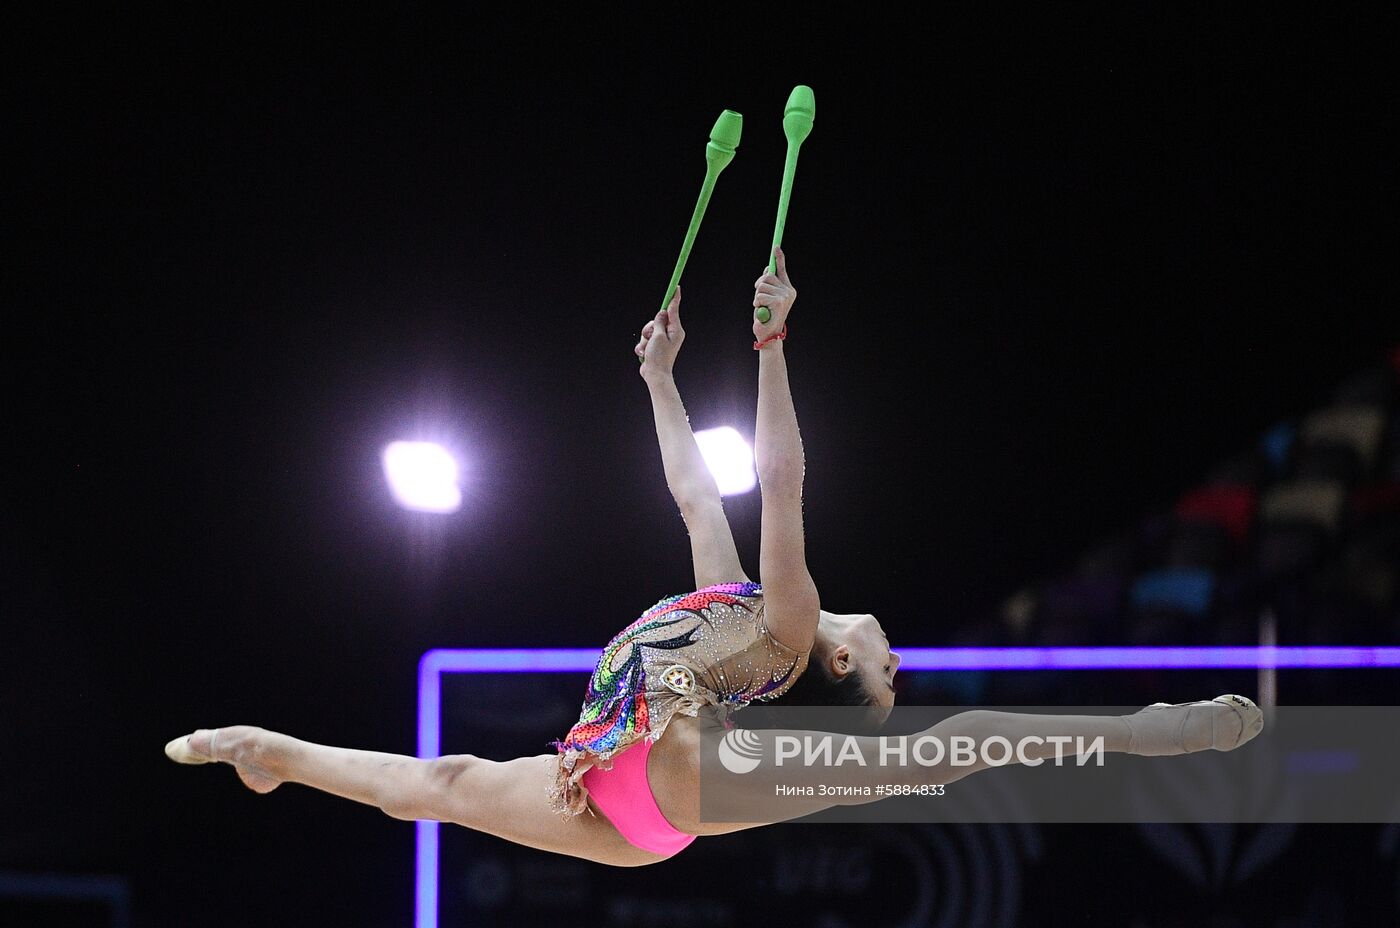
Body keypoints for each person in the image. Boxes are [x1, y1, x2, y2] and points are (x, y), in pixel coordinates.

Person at [166, 248, 1263, 866]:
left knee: (958, 744)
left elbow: (782, 477)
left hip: (680, 776)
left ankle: (1148, 730)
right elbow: (699, 489)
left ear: (844, 665)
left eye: (887, 665)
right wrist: (658, 377)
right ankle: (273, 750)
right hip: (627, 795)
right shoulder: (740, 609)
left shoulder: (787, 625)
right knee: (444, 784)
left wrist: (774, 345)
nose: (894, 652)